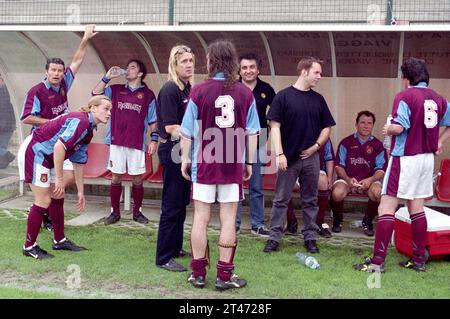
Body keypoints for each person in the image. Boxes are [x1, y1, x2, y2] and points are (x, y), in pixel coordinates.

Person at [354, 57, 450, 273]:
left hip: (405, 159)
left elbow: (400, 127)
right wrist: (439, 142)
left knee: (386, 207)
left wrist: (388, 128)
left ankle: (377, 263)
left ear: (407, 79)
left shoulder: (404, 96)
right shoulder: (438, 98)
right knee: (416, 207)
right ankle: (418, 260)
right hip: (426, 160)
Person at [180, 39, 260, 290]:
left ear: (211, 61)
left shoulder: (198, 91)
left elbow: (186, 132)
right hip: (231, 165)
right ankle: (224, 276)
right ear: (233, 62)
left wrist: (184, 158)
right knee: (228, 219)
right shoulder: (245, 93)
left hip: (204, 164)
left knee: (200, 218)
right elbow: (253, 133)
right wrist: (248, 161)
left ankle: (198, 274)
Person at [20, 24, 98, 231]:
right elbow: (27, 117)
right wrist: (54, 123)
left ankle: (44, 210)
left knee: (68, 177)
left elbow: (77, 60)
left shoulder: (64, 83)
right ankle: (42, 209)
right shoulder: (36, 91)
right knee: (49, 188)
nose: (56, 73)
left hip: (63, 141)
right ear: (46, 72)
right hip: (43, 142)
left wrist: (85, 38)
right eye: (53, 70)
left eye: (59, 71)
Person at [18, 95, 112, 259]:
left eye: (110, 110)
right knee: (44, 200)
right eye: (106, 108)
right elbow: (59, 147)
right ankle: (29, 246)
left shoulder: (88, 129)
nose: (109, 113)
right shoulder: (82, 121)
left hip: (47, 156)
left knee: (57, 195)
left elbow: (79, 162)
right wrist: (60, 179)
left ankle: (59, 240)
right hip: (35, 152)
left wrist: (81, 191)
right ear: (93, 108)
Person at [263, 57, 336, 254]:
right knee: (280, 199)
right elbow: (274, 126)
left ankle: (310, 237)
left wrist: (316, 146)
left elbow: (327, 127)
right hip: (288, 158)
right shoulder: (283, 97)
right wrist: (279, 154)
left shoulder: (318, 99)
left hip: (311, 159)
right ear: (304, 71)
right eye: (316, 72)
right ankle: (274, 237)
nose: (319, 77)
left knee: (310, 200)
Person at [92, 59, 158, 225]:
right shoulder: (115, 89)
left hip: (137, 142)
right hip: (116, 141)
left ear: (140, 73)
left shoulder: (148, 95)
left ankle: (137, 213)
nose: (128, 69)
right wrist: (107, 77)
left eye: (132, 67)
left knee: (137, 179)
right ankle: (114, 212)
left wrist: (154, 139)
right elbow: (95, 94)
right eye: (127, 67)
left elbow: (153, 121)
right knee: (116, 177)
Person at [155, 45, 194, 272]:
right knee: (171, 204)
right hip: (172, 151)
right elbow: (170, 127)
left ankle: (176, 247)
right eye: (184, 61)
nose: (189, 65)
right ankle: (163, 256)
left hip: (185, 151)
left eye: (191, 60)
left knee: (181, 203)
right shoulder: (170, 89)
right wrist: (197, 134)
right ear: (174, 65)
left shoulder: (188, 89)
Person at [235, 52, 275, 237]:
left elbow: (275, 116)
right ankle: (232, 223)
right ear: (239, 70)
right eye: (244, 67)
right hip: (233, 140)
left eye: (252, 67)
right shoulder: (231, 87)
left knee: (256, 185)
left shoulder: (266, 88)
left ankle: (257, 224)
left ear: (258, 69)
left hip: (258, 140)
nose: (248, 71)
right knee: (233, 184)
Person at [330, 111, 388, 236]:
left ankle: (367, 221)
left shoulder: (378, 145)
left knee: (378, 193)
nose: (366, 126)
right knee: (337, 193)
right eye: (362, 122)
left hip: (369, 180)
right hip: (348, 179)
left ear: (373, 126)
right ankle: (337, 219)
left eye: (369, 123)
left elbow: (381, 170)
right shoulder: (346, 142)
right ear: (356, 124)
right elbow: (338, 166)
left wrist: (370, 180)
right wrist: (347, 179)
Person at [285, 138, 335, 238]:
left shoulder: (323, 136)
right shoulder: (292, 131)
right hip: (295, 170)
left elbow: (329, 158)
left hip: (314, 170)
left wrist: (330, 177)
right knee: (284, 184)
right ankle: (291, 222)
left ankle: (319, 222)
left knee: (323, 181)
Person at [0, 77, 16, 169]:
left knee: (2, 147)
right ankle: (3, 164)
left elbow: (5, 111)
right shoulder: (7, 91)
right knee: (2, 147)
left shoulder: (5, 93)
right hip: (7, 126)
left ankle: (9, 157)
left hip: (5, 126)